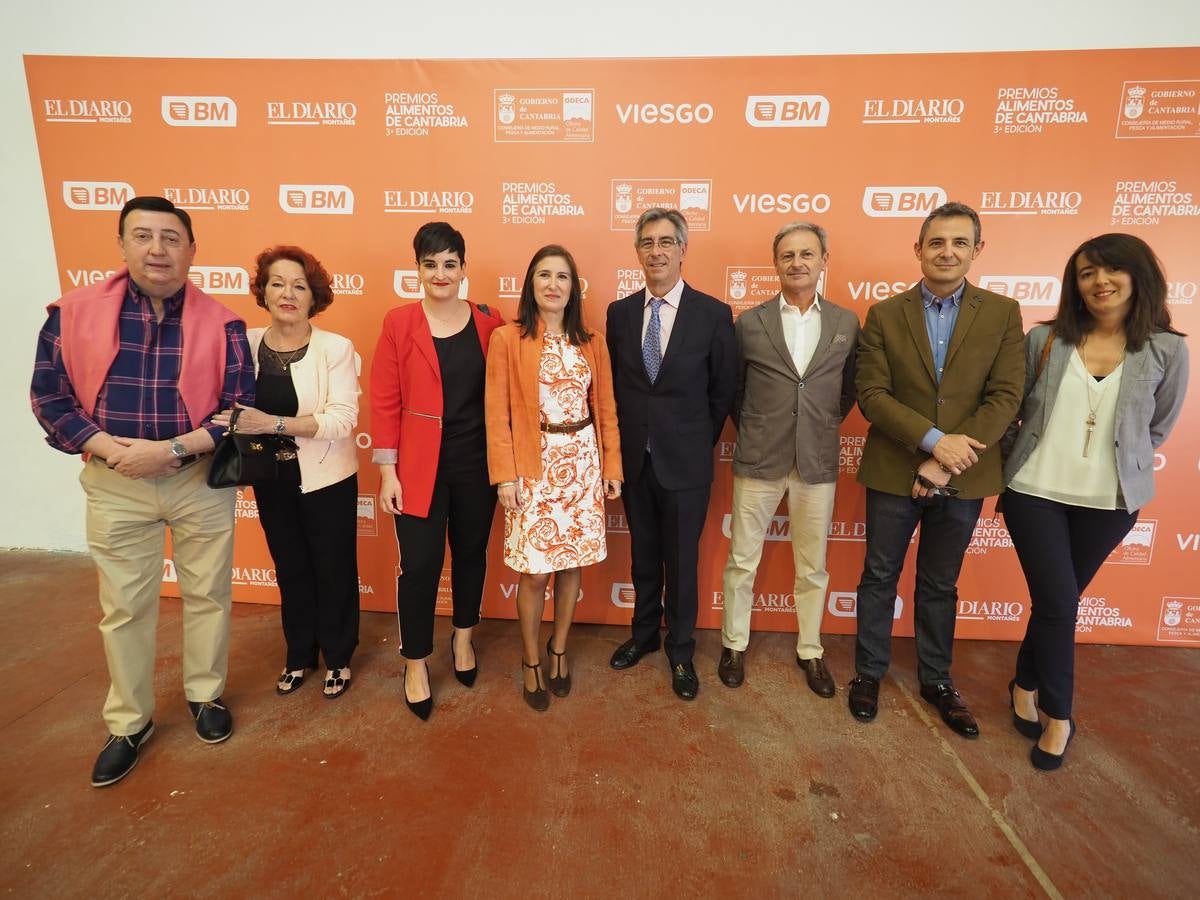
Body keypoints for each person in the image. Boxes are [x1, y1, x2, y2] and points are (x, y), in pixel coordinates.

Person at [30, 196, 255, 787]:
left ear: (191, 249)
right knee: (125, 607)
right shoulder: (70, 315)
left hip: (197, 479)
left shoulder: (224, 322)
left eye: (171, 238)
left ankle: (205, 697)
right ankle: (129, 722)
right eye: (143, 236)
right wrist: (111, 448)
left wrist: (173, 450)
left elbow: (239, 409)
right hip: (116, 482)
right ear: (123, 244)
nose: (158, 249)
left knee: (208, 594)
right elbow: (49, 399)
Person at [1002, 233, 1188, 770]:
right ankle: (1059, 715)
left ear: (1138, 277)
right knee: (1061, 604)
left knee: (1055, 603)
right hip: (1034, 492)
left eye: (1111, 271)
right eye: (1086, 273)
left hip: (1109, 503)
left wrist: (1113, 465)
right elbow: (1012, 409)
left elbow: (1157, 428)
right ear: (1075, 284)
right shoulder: (1043, 339)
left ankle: (1024, 683)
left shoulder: (1167, 348)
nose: (1100, 282)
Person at [850, 201, 1024, 738]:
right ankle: (868, 673)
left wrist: (951, 456)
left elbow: (1006, 396)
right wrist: (933, 443)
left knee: (940, 582)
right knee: (879, 576)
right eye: (937, 242)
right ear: (919, 249)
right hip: (895, 469)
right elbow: (872, 395)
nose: (947, 252)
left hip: (966, 473)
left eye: (959, 243)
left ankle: (937, 680)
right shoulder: (883, 314)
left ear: (976, 249)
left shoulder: (1001, 313)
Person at [212, 246, 361, 700]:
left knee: (332, 568)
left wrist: (271, 424)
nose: (288, 294)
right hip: (270, 477)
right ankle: (299, 654)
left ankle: (337, 656)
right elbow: (224, 405)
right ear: (263, 291)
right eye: (277, 283)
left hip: (326, 477)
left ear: (313, 296)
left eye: (299, 285)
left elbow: (341, 420)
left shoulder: (334, 348)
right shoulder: (245, 342)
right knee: (290, 567)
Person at [718, 222, 859, 695]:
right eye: (787, 255)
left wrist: (813, 427)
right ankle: (734, 643)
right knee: (741, 561)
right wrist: (762, 428)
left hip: (815, 462)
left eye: (807, 254)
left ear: (823, 260)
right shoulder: (749, 322)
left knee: (812, 566)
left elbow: (848, 392)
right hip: (760, 457)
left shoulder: (845, 322)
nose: (797, 263)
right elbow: (734, 392)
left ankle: (811, 650)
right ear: (775, 263)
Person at [371, 222, 503, 720]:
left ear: (464, 268)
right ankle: (416, 662)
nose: (441, 273)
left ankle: (463, 639)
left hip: (477, 465)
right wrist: (388, 472)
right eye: (431, 264)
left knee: (471, 554)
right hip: (417, 469)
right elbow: (384, 400)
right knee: (421, 565)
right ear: (418, 270)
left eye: (450, 263)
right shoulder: (398, 322)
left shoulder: (492, 323)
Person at [605, 208, 737, 701]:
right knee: (643, 557)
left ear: (683, 249)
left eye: (666, 242)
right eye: (647, 243)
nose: (656, 251)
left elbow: (723, 391)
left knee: (682, 563)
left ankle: (681, 651)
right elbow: (617, 389)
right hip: (636, 464)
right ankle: (643, 636)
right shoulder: (619, 313)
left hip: (686, 464)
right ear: (637, 251)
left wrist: (692, 442)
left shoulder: (713, 313)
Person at [485, 245, 622, 711]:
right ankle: (530, 660)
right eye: (543, 275)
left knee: (572, 566)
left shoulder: (592, 341)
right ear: (531, 284)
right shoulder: (508, 339)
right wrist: (505, 476)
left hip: (582, 463)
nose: (553, 284)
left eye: (562, 276)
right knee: (533, 572)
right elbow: (496, 414)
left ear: (573, 287)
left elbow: (605, 409)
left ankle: (558, 649)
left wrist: (612, 467)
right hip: (532, 466)